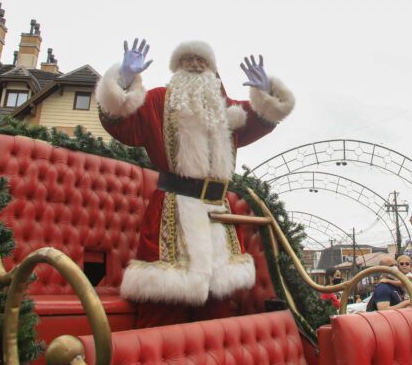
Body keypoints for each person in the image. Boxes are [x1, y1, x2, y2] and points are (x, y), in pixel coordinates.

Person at [96, 38, 295, 314]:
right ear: (176, 68)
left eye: (201, 60)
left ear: (213, 71)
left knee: (219, 306)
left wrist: (266, 91)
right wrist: (125, 78)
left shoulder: (229, 113)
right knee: (164, 303)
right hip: (172, 212)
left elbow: (266, 117)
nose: (194, 64)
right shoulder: (157, 102)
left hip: (218, 216)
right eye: (186, 60)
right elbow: (119, 121)